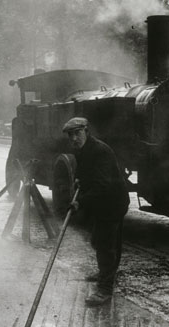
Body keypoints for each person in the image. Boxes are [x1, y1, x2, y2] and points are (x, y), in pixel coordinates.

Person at [64, 117, 130, 306]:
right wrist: (78, 180)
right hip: (102, 202)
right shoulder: (83, 150)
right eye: (71, 135)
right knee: (103, 241)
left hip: (112, 202)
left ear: (86, 131)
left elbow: (102, 184)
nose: (74, 138)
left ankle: (105, 290)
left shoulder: (100, 151)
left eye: (78, 133)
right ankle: (106, 273)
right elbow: (83, 171)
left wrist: (79, 202)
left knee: (105, 246)